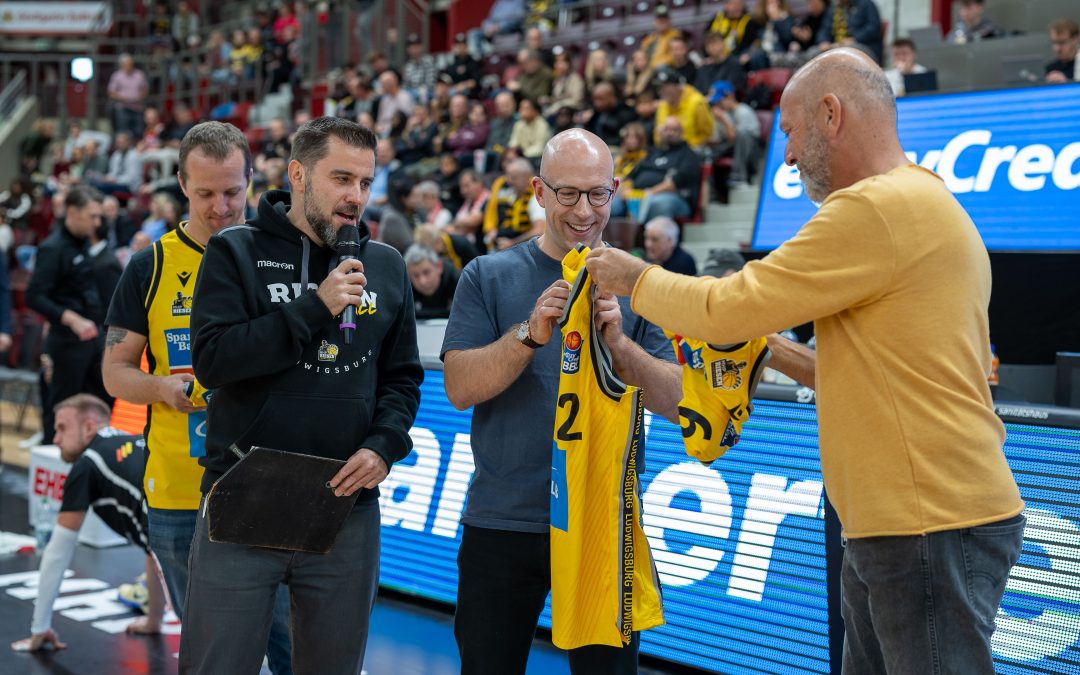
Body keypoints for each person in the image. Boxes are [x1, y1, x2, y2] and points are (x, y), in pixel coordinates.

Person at [585, 48, 1025, 673]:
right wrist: (770, 347)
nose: (786, 155)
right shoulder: (924, 202)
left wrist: (636, 277)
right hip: (910, 518)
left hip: (923, 520)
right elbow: (855, 370)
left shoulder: (874, 209)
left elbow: (725, 309)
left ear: (830, 113)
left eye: (788, 132)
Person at [182, 116, 423, 673]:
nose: (354, 197)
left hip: (345, 504)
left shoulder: (386, 266)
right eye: (341, 178)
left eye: (365, 183)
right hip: (245, 494)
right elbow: (213, 361)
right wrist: (315, 307)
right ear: (298, 174)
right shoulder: (234, 250)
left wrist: (384, 444)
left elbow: (402, 377)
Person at [441, 128, 684, 674]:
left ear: (616, 189)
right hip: (503, 521)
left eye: (597, 193)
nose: (583, 210)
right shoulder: (488, 274)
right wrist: (529, 332)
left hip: (605, 523)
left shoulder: (642, 283)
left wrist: (620, 345)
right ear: (539, 192)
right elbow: (459, 388)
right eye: (568, 193)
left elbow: (678, 402)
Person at [102, 120, 294, 673]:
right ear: (182, 185)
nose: (221, 207)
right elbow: (115, 371)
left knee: (294, 648)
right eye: (205, 193)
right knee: (215, 655)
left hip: (272, 486)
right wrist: (160, 387)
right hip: (181, 490)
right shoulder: (150, 265)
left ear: (253, 181)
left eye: (233, 191)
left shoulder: (283, 256)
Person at [10, 394, 165, 652]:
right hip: (193, 516)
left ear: (89, 427)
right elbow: (152, 547)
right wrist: (154, 620)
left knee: (206, 642)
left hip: (179, 534)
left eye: (62, 428)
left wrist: (39, 626)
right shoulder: (124, 442)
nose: (56, 438)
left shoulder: (88, 463)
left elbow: (58, 552)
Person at [26, 186, 115, 440]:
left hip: (92, 340)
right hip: (66, 343)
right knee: (62, 411)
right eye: (92, 216)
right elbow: (34, 295)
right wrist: (69, 318)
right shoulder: (52, 248)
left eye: (100, 217)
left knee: (97, 407)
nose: (97, 223)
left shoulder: (83, 244)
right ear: (72, 212)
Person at [652, 67, 715, 150]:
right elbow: (657, 136)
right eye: (659, 88)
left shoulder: (697, 102)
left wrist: (685, 145)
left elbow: (707, 134)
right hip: (668, 149)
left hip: (692, 149)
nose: (661, 92)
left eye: (664, 87)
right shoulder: (663, 104)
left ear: (677, 86)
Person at [405, 244, 459, 319]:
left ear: (439, 267)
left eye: (426, 272)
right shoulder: (405, 289)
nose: (422, 281)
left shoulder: (458, 282)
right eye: (415, 275)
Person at [1046, 18, 1079, 84]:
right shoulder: (1049, 69)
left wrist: (1066, 83)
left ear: (1076, 39)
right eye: (1054, 42)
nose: (1057, 48)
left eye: (1062, 42)